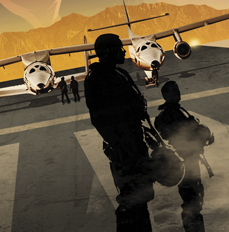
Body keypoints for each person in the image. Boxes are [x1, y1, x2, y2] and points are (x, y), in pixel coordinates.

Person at [84, 33, 155, 232]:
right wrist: (123, 146)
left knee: (141, 198)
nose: (123, 52)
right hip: (125, 152)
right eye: (119, 49)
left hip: (134, 145)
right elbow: (99, 119)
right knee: (131, 202)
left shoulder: (119, 74)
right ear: (110, 51)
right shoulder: (97, 79)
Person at [154, 81, 214, 232]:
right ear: (165, 95)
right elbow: (173, 134)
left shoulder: (178, 111)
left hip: (190, 160)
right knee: (191, 202)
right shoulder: (167, 115)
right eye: (173, 91)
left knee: (195, 199)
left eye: (178, 90)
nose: (177, 93)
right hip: (184, 162)